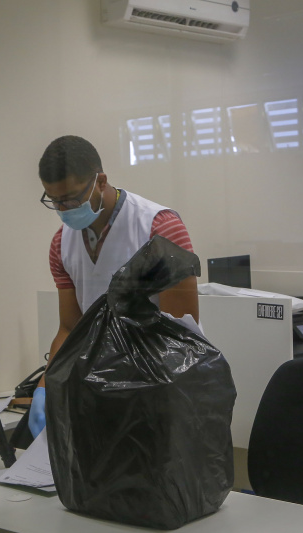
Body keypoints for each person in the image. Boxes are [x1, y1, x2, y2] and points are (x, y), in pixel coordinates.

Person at [27, 136, 199, 438]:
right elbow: (69, 328)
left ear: (100, 181)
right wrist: (45, 386)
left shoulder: (159, 227)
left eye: (71, 198)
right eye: (54, 201)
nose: (64, 209)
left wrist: (130, 390)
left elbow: (181, 334)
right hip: (99, 392)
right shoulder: (61, 244)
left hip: (161, 392)